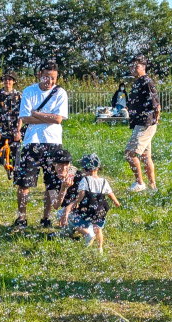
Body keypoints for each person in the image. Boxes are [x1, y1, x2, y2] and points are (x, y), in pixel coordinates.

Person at [12, 61, 70, 229]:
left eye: (53, 78)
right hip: (32, 142)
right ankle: (21, 218)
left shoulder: (60, 93)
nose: (50, 82)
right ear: (39, 75)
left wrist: (36, 113)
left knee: (52, 184)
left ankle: (46, 218)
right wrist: (48, 117)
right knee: (24, 183)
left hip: (53, 143)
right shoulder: (29, 91)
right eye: (46, 77)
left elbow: (59, 119)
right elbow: (25, 118)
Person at [61, 154, 121, 252]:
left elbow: (82, 193)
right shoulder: (104, 181)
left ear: (85, 169)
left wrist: (77, 201)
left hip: (88, 207)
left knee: (79, 224)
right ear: (98, 168)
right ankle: (100, 248)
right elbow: (110, 193)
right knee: (98, 228)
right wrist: (116, 202)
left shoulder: (85, 180)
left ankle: (88, 236)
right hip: (101, 209)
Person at [124, 56, 161, 193]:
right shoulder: (137, 82)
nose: (133, 69)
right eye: (131, 66)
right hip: (141, 122)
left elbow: (156, 103)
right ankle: (153, 187)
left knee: (129, 153)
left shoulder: (146, 81)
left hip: (146, 123)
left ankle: (140, 183)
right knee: (146, 157)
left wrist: (154, 120)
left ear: (143, 67)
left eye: (136, 66)